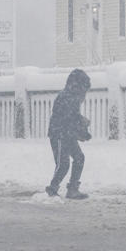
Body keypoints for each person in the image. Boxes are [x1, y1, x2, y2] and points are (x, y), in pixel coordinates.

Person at [46, 68, 92, 200]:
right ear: (76, 86)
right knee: (63, 163)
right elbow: (67, 119)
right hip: (59, 134)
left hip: (68, 134)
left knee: (79, 158)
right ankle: (52, 189)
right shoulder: (65, 97)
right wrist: (81, 131)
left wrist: (82, 128)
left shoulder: (73, 98)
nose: (84, 94)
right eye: (83, 89)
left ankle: (73, 189)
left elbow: (74, 117)